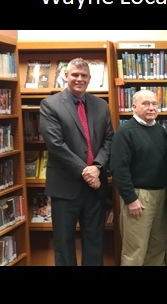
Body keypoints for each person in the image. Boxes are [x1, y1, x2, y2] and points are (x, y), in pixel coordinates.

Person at [39, 57, 114, 266]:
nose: (79, 79)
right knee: (64, 243)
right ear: (66, 76)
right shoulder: (50, 104)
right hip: (65, 187)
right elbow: (55, 144)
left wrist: (97, 167)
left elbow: (109, 139)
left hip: (95, 189)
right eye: (75, 75)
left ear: (90, 78)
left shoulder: (101, 105)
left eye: (84, 76)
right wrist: (86, 171)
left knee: (95, 241)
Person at [110, 89, 167, 266]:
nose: (151, 108)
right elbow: (118, 169)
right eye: (145, 104)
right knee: (135, 250)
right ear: (134, 107)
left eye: (154, 104)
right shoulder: (125, 132)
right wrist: (130, 199)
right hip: (138, 197)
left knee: (157, 247)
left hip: (161, 195)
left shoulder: (160, 131)